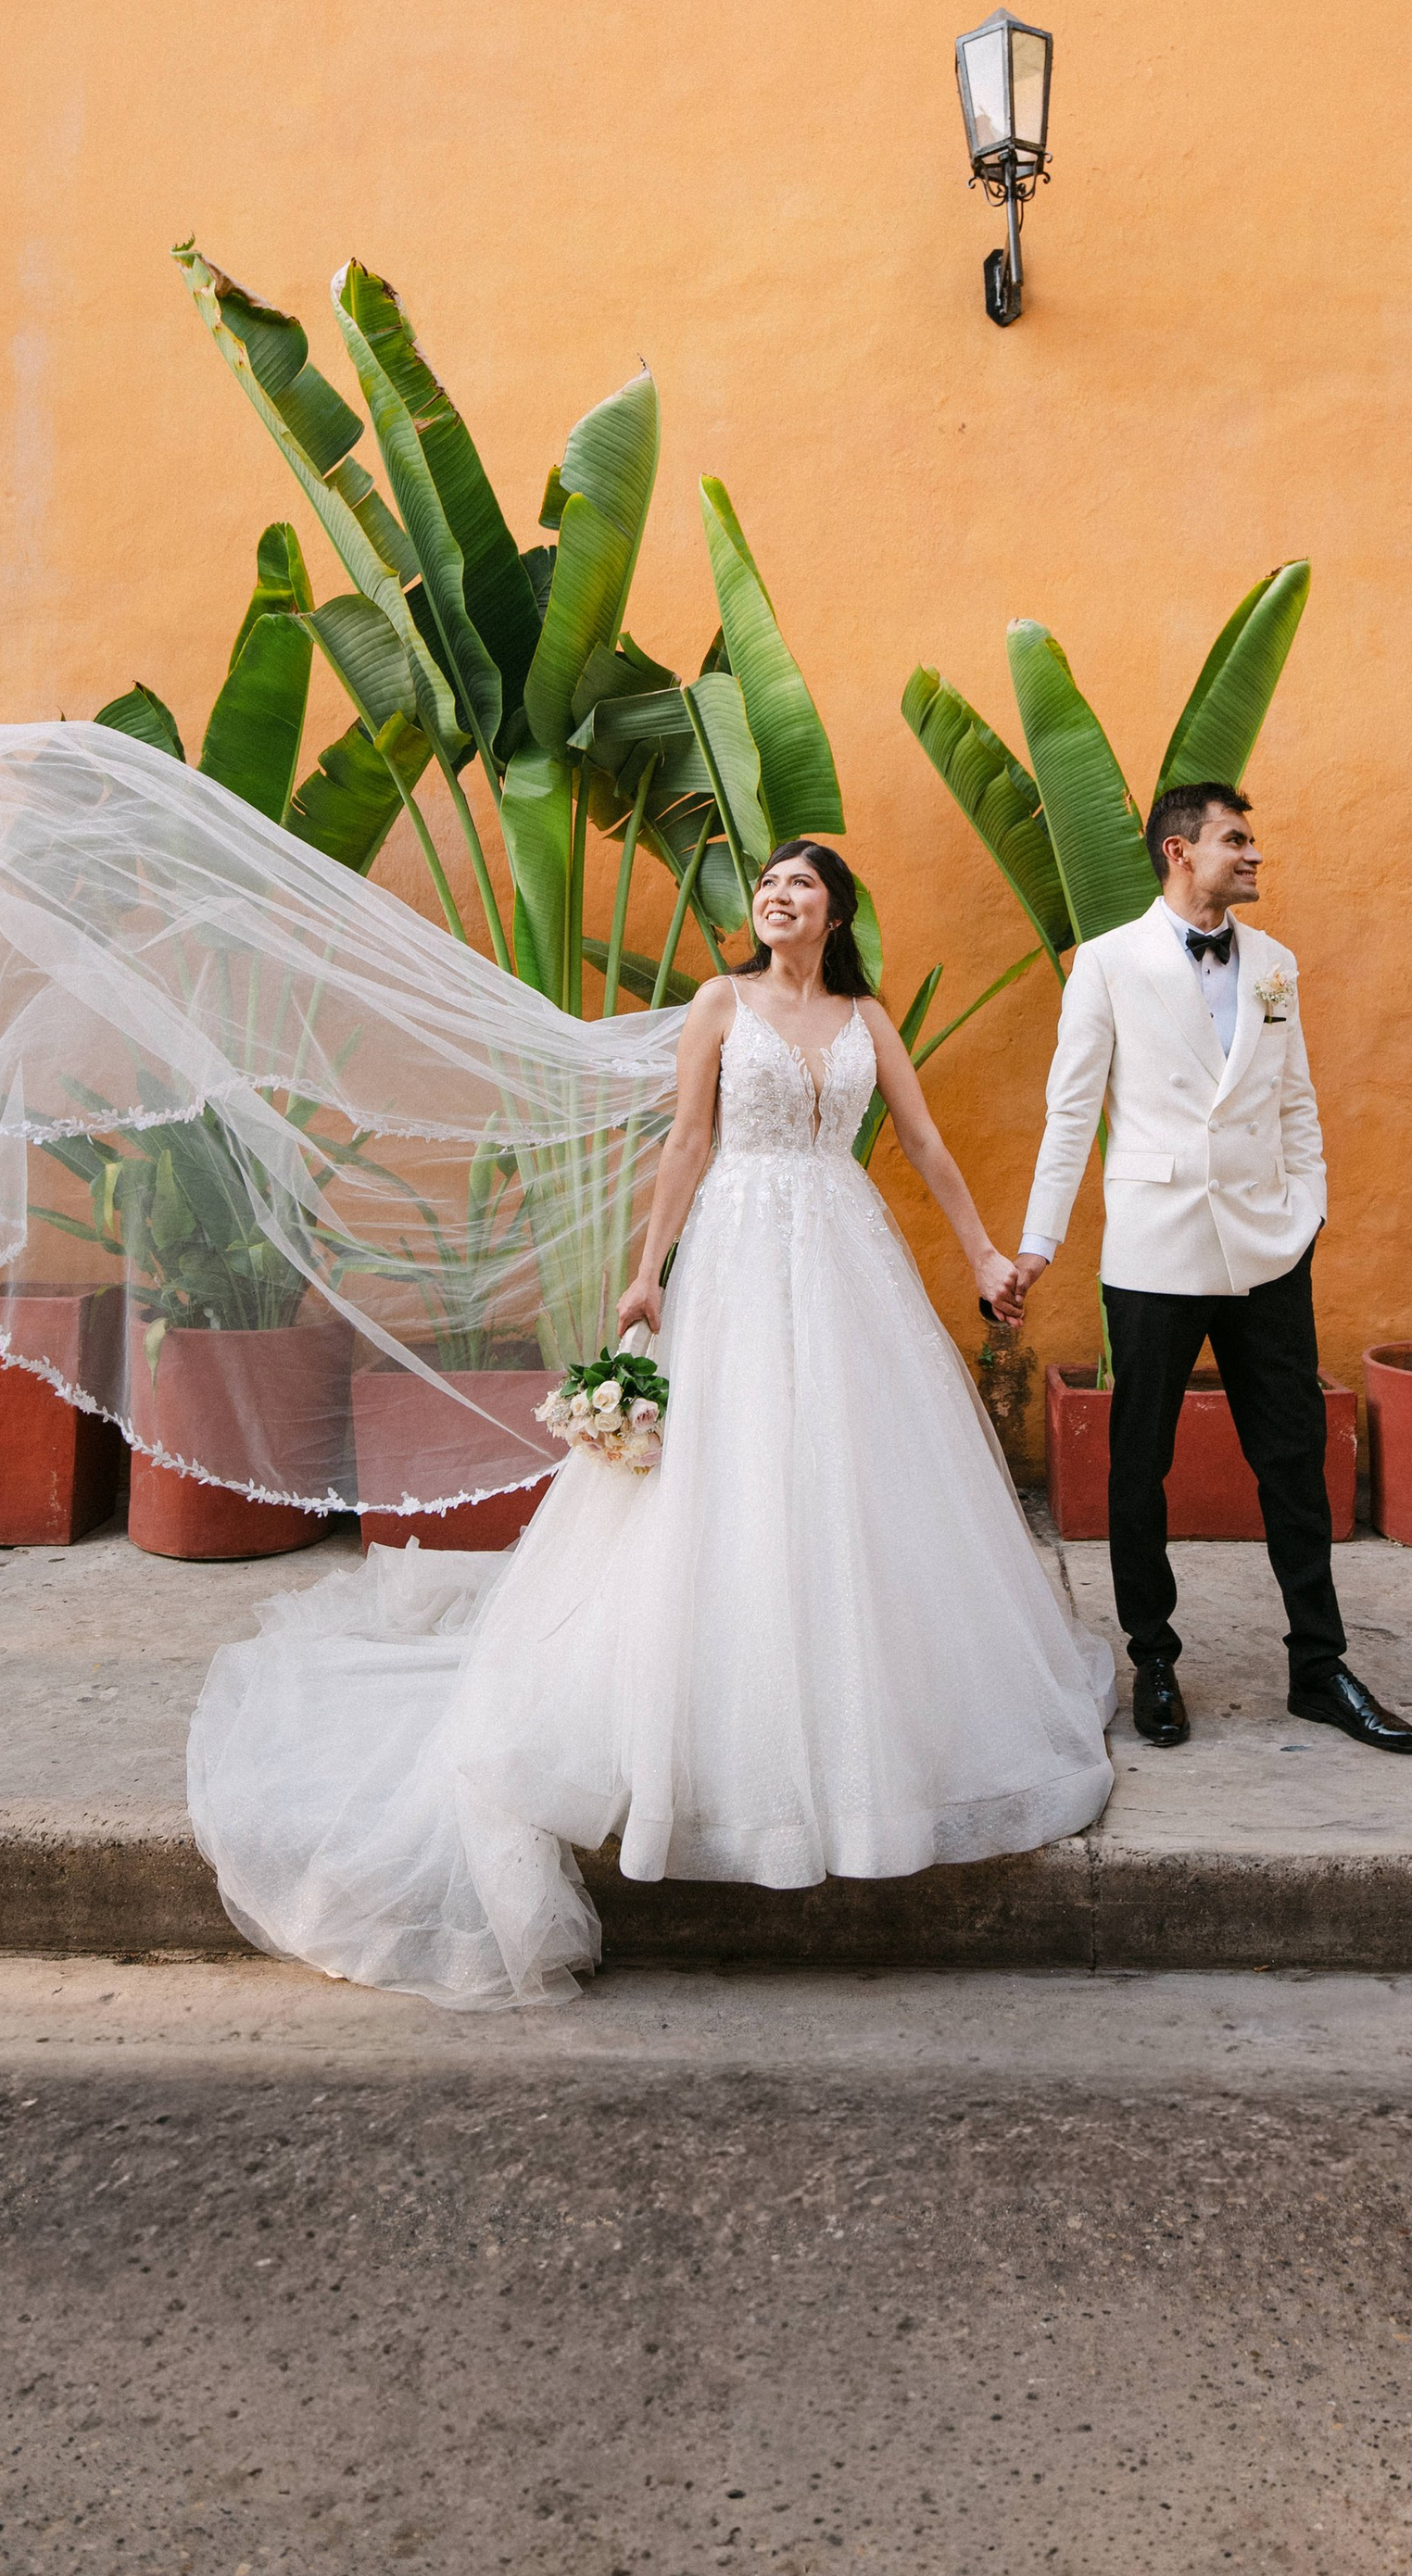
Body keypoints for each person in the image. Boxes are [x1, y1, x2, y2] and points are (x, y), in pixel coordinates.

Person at [186, 837, 1116, 2004]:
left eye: (802, 885)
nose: (776, 894)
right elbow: (688, 1139)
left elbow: (922, 1141)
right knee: (723, 1473)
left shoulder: (869, 1019)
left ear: (835, 914)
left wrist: (983, 1251)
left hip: (842, 1248)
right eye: (769, 882)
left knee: (849, 1468)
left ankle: (860, 1728)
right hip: (734, 1248)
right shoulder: (720, 1003)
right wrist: (646, 1272)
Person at [1002, 781, 1412, 1757]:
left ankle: (1318, 1667)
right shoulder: (1105, 965)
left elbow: (1295, 1099)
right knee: (1137, 1466)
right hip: (1155, 1243)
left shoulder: (1274, 964)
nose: (1254, 853)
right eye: (1237, 839)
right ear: (1180, 852)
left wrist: (1308, 1208)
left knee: (1293, 1461)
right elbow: (1072, 1111)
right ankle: (1152, 1657)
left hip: (1269, 1247)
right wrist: (1038, 1240)